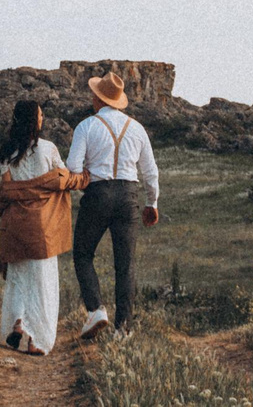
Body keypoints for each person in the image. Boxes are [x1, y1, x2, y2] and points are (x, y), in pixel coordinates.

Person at [66, 68, 159, 340]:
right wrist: (151, 203)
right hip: (129, 197)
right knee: (125, 264)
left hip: (97, 193)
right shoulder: (138, 129)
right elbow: (150, 171)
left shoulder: (86, 126)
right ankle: (123, 329)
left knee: (83, 254)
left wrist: (85, 178)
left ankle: (96, 310)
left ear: (98, 99)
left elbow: (73, 166)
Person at [0, 99, 88, 355]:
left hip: (15, 226)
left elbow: (6, 192)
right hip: (42, 229)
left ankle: (18, 323)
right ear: (34, 120)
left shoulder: (7, 153)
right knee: (42, 283)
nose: (43, 119)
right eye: (41, 115)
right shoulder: (48, 149)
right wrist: (86, 178)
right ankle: (36, 340)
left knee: (19, 280)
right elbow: (64, 179)